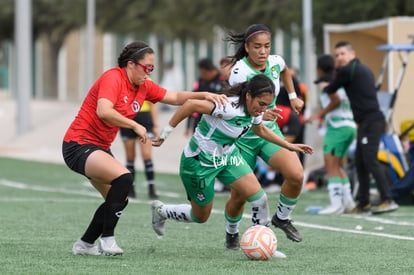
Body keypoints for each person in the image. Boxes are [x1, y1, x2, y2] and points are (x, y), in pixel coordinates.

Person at [63, 40, 227, 256]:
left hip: (99, 147)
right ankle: (107, 240)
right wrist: (135, 124)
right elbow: (104, 111)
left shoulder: (144, 86)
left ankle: (84, 244)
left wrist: (204, 94)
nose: (149, 73)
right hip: (78, 144)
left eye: (153, 68)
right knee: (124, 178)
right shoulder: (113, 77)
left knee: (119, 198)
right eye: (147, 67)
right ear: (131, 64)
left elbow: (175, 97)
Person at [150, 75, 313, 251]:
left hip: (228, 158)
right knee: (200, 216)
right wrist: (165, 133)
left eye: (267, 105)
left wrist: (289, 145)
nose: (263, 109)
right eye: (261, 104)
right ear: (248, 96)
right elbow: (190, 105)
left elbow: (260, 129)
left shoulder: (254, 110)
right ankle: (161, 211)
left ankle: (264, 246)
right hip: (199, 163)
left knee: (259, 198)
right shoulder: (227, 106)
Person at [225, 24, 306, 243]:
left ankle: (282, 218)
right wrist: (261, 114)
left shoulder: (275, 62)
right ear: (247, 47)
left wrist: (292, 96)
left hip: (268, 132)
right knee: (240, 196)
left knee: (296, 174)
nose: (263, 51)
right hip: (243, 138)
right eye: (257, 47)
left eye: (267, 46)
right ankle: (231, 232)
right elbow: (239, 110)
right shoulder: (239, 73)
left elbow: (285, 69)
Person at [323, 41, 398, 214]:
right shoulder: (361, 69)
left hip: (371, 121)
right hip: (367, 122)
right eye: (337, 55)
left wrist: (326, 81)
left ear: (352, 54)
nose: (340, 58)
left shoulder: (348, 70)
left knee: (369, 159)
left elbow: (330, 88)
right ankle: (363, 202)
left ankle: (388, 199)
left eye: (342, 54)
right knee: (360, 161)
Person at [306, 54, 356, 214]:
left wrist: (319, 114)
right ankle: (348, 203)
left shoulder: (326, 83)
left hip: (338, 127)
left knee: (330, 165)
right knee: (337, 165)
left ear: (319, 68)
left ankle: (336, 204)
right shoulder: (339, 81)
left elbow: (336, 101)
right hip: (349, 125)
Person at [120, 100, 159, 199]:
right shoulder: (122, 86)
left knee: (146, 155)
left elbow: (152, 105)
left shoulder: (145, 85)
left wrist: (155, 125)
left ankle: (151, 189)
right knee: (130, 157)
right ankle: (131, 189)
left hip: (145, 118)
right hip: (127, 118)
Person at [185, 58, 224, 137]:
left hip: (217, 121)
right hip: (199, 120)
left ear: (211, 70)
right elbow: (192, 100)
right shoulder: (200, 81)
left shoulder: (222, 80)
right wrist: (188, 126)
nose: (202, 75)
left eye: (204, 73)